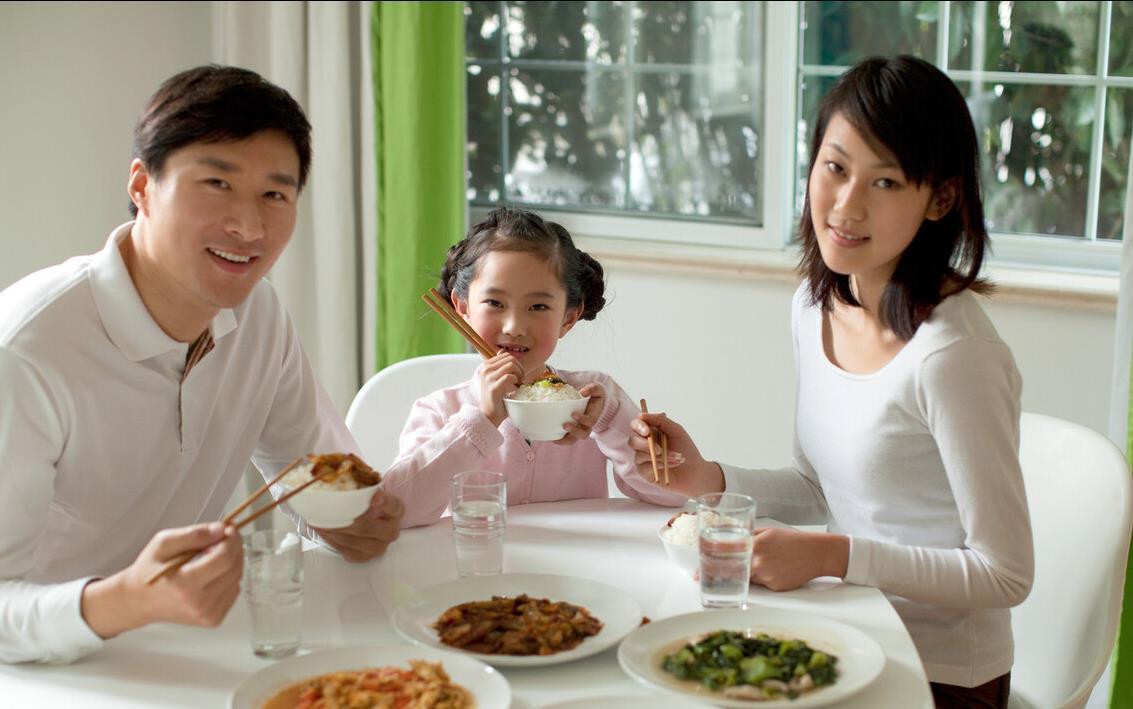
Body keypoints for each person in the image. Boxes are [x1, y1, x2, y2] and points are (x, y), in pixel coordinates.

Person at [630, 56, 1033, 708]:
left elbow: (1005, 573)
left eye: (885, 182)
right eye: (835, 168)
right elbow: (820, 487)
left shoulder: (954, 355)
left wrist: (832, 556)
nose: (845, 206)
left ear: (940, 198)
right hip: (844, 635)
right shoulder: (815, 306)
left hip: (939, 675)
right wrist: (707, 479)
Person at [0, 65, 404, 665]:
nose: (248, 226)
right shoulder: (26, 351)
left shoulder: (258, 313)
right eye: (217, 183)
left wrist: (349, 521)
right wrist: (125, 602)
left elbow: (316, 474)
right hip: (40, 675)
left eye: (275, 194)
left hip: (179, 652)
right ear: (141, 185)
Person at [380, 207, 687, 528]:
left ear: (568, 318)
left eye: (538, 306)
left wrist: (609, 420)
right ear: (462, 307)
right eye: (495, 303)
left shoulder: (595, 398)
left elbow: (670, 495)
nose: (514, 326)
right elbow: (393, 511)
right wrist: (482, 420)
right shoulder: (439, 410)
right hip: (473, 572)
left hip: (579, 572)